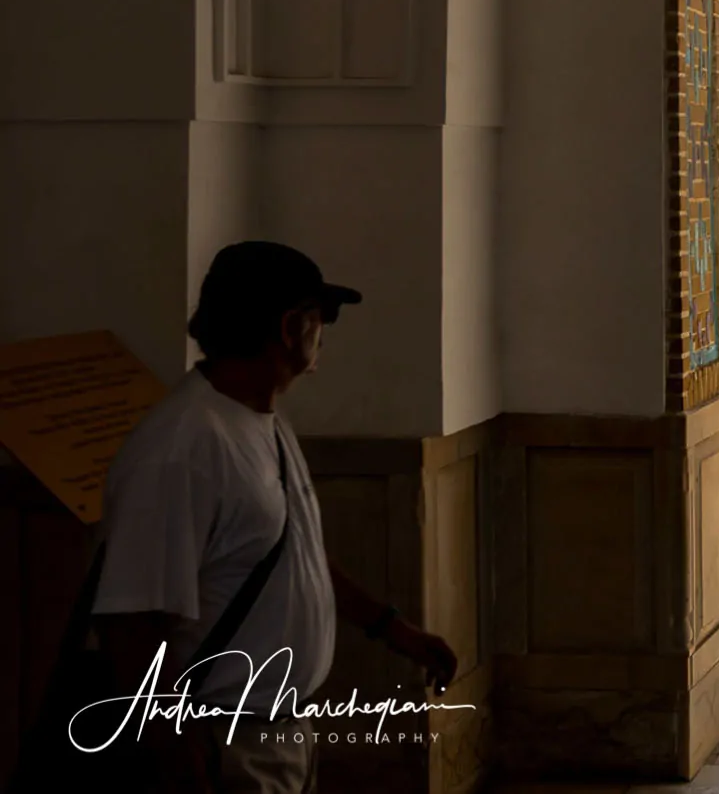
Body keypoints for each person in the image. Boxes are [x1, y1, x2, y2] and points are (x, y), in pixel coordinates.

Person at [90, 242, 456, 794]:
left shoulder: (258, 420)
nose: (324, 335)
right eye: (321, 318)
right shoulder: (182, 449)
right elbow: (132, 622)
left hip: (278, 735)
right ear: (289, 327)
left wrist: (390, 627)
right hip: (221, 747)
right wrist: (173, 752)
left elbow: (286, 554)